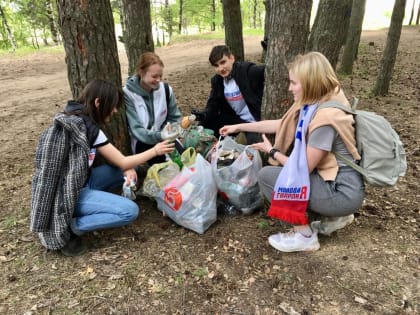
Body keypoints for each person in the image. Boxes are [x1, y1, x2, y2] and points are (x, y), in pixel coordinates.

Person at [220, 52, 365, 252]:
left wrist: (272, 152)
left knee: (268, 177)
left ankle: (304, 236)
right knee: (284, 174)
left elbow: (301, 168)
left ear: (310, 82)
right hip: (336, 181)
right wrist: (239, 127)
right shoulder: (320, 102)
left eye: (294, 83)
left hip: (342, 192)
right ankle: (334, 217)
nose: (289, 88)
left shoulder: (326, 119)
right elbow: (281, 124)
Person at [30, 79, 175, 257]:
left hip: (85, 180)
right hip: (69, 194)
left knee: (133, 169)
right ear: (98, 102)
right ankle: (73, 225)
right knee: (129, 211)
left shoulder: (84, 124)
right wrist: (155, 150)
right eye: (113, 106)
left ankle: (88, 204)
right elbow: (122, 161)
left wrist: (127, 167)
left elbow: (121, 162)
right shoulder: (79, 127)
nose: (114, 111)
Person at [192, 45, 265, 144]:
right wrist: (204, 114)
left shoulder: (247, 71)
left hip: (257, 122)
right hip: (238, 121)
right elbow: (213, 104)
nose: (220, 68)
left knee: (253, 143)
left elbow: (267, 71)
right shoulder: (217, 81)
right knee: (206, 123)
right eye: (216, 66)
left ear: (232, 58)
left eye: (223, 62)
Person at [124, 52, 182, 165]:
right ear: (141, 72)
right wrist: (160, 136)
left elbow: (175, 117)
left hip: (165, 138)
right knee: (164, 167)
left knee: (184, 160)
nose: (158, 80)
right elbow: (137, 130)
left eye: (160, 76)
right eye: (154, 76)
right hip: (142, 142)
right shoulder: (128, 94)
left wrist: (171, 131)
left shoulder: (165, 90)